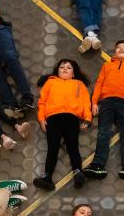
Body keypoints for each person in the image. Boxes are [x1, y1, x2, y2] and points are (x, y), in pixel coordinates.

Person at [82, 40, 124, 180]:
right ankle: (98, 165)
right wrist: (94, 102)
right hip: (107, 101)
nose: (121, 49)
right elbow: (99, 84)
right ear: (115, 52)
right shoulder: (107, 65)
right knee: (103, 133)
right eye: (118, 47)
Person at [34, 59, 92, 190]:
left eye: (68, 67)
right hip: (52, 118)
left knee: (73, 146)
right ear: (57, 71)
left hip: (71, 118)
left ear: (73, 73)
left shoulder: (79, 84)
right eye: (62, 67)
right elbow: (42, 102)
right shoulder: (50, 83)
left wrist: (87, 118)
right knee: (52, 148)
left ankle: (78, 172)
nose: (65, 69)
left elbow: (86, 102)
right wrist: (41, 119)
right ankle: (47, 177)